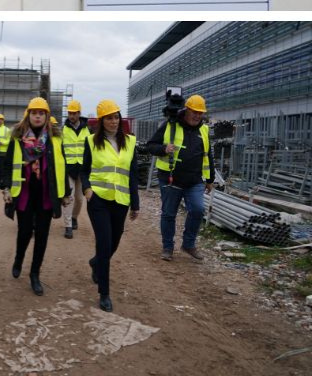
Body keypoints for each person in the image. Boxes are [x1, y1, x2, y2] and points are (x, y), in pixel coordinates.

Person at [0, 98, 67, 296]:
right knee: (25, 232)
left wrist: (65, 193)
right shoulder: (17, 138)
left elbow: (62, 165)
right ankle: (18, 258)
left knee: (42, 236)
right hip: (24, 194)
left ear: (46, 116)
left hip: (45, 195)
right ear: (28, 115)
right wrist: (6, 187)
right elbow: (7, 164)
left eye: (41, 113)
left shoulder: (55, 140)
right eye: (34, 112)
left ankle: (34, 274)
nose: (37, 116)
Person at [82, 99, 140, 312]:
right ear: (101, 121)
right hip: (98, 200)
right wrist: (87, 190)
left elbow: (132, 174)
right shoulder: (91, 142)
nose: (114, 121)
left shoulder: (130, 142)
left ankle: (97, 262)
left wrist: (136, 203)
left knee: (113, 244)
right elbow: (84, 170)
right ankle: (104, 293)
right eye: (109, 118)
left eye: (116, 117)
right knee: (105, 244)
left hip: (120, 201)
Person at [143, 94, 214, 262]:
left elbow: (208, 155)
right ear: (186, 110)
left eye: (200, 113)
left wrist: (210, 179)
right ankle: (168, 247)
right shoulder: (169, 125)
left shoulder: (204, 130)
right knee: (169, 214)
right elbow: (150, 146)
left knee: (197, 209)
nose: (197, 115)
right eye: (194, 112)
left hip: (195, 180)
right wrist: (163, 149)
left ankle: (188, 244)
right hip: (170, 178)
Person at [61, 101, 90, 239]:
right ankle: (67, 226)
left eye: (74, 113)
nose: (71, 116)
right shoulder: (64, 129)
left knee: (79, 199)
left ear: (79, 113)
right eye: (70, 113)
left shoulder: (86, 129)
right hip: (69, 169)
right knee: (69, 197)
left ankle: (74, 217)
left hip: (82, 169)